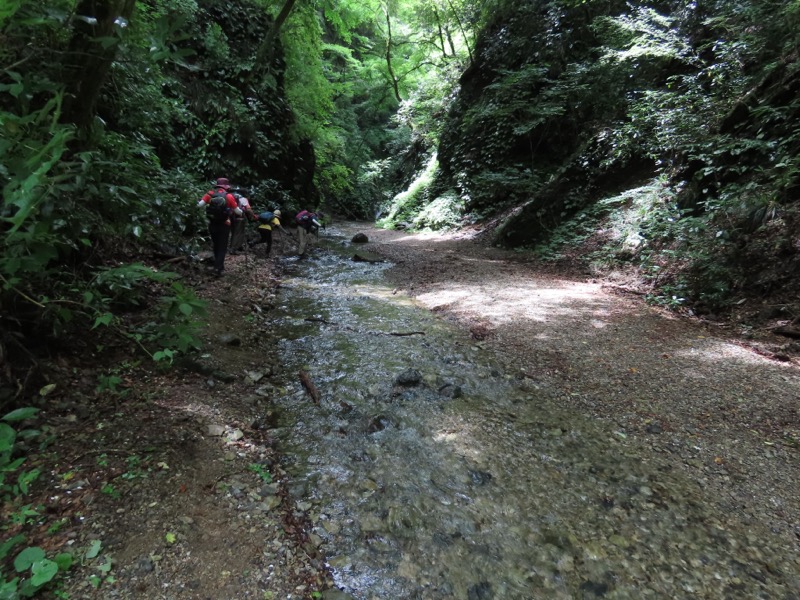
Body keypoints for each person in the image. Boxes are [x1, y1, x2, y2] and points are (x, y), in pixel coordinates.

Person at [198, 177, 242, 276]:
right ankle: (217, 269)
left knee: (216, 245)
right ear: (226, 187)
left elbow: (199, 205)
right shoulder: (229, 196)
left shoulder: (210, 194)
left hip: (212, 224)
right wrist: (241, 210)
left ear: (217, 185)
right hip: (224, 225)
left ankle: (219, 266)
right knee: (222, 247)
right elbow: (237, 212)